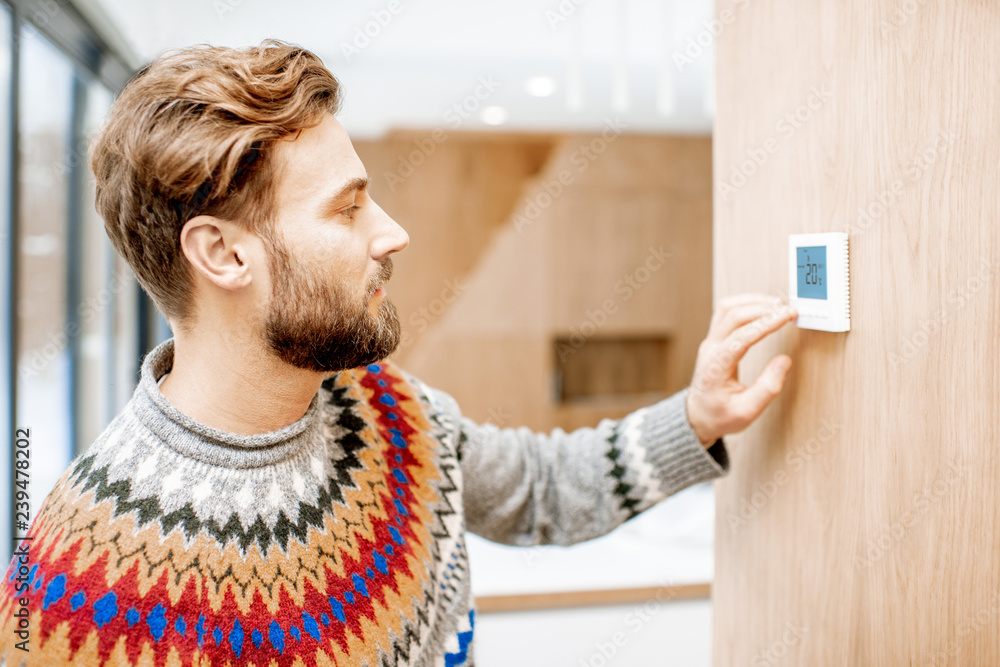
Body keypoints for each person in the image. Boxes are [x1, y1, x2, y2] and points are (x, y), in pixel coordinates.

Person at [0, 39, 797, 667]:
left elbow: (540, 490)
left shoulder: (377, 402)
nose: (393, 232)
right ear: (224, 255)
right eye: (347, 210)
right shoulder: (76, 592)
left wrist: (696, 417)